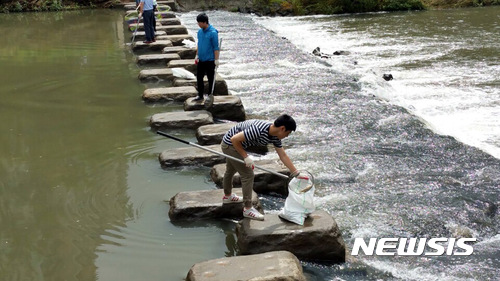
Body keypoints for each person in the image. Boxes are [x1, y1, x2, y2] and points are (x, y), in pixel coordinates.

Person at [220, 114, 300, 221]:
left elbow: (283, 155)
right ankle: (248, 209)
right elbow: (235, 139)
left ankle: (228, 196)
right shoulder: (259, 130)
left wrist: (296, 173)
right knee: (248, 174)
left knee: (230, 170)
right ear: (282, 128)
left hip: (234, 144)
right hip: (230, 145)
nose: (287, 136)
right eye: (288, 132)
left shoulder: (274, 136)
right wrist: (245, 157)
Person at [193, 13, 219, 102]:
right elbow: (199, 44)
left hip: (210, 60)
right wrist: (197, 55)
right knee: (199, 77)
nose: (198, 24)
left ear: (205, 22)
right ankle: (200, 95)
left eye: (199, 22)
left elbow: (216, 47)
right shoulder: (200, 32)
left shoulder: (213, 33)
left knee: (210, 78)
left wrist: (216, 60)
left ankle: (209, 95)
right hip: (201, 59)